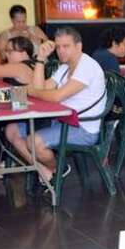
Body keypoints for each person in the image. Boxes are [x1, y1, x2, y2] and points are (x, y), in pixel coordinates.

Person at [19, 27, 107, 183]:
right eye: (58, 47)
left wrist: (31, 91)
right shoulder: (66, 66)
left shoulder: (87, 66)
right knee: (17, 130)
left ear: (78, 46)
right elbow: (41, 87)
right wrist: (41, 58)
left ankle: (58, 170)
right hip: (64, 121)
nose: (61, 51)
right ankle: (51, 169)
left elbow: (56, 96)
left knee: (33, 142)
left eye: (66, 46)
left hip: (83, 128)